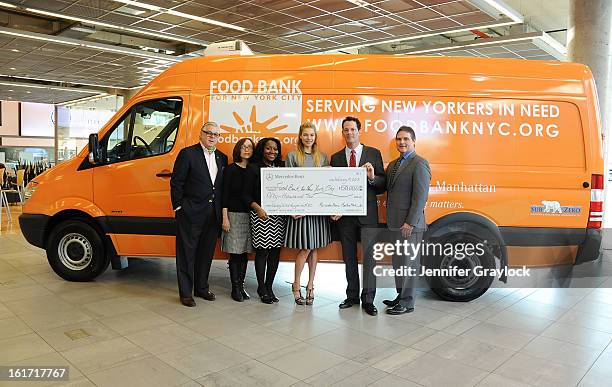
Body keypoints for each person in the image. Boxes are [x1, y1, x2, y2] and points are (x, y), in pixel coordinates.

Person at [330, 116, 386, 316]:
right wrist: (334, 208)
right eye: (346, 130)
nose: (349, 133)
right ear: (342, 132)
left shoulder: (373, 153)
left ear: (359, 131)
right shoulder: (336, 158)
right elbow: (333, 188)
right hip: (345, 217)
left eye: (353, 129)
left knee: (370, 258)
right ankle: (352, 296)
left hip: (367, 215)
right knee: (349, 258)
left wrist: (371, 178)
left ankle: (369, 299)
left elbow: (382, 184)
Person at [170, 122, 228, 307]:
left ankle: (201, 288)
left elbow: (220, 188)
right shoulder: (188, 154)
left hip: (213, 215)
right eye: (209, 133)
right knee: (187, 254)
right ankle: (186, 292)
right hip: (190, 213)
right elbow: (176, 182)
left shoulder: (222, 157)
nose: (212, 137)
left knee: (206, 253)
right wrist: (178, 208)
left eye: (216, 134)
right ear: (201, 134)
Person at [383, 126, 431, 315]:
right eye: (398, 139)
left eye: (406, 139)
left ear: (413, 141)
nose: (401, 142)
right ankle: (400, 295)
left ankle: (407, 302)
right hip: (395, 223)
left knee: (410, 263)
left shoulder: (420, 163)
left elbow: (420, 197)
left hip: (410, 225)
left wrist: (410, 222)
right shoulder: (393, 165)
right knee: (398, 262)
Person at [285, 121, 331, 305]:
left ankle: (310, 285)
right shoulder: (292, 156)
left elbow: (327, 185)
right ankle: (296, 285)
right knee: (305, 248)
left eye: (312, 135)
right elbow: (287, 184)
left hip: (318, 212)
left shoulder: (323, 157)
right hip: (301, 212)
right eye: (305, 135)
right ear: (300, 136)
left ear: (315, 137)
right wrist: (291, 209)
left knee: (314, 248)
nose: (309, 138)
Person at [243, 137, 286, 304]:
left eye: (275, 149)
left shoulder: (282, 167)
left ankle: (269, 286)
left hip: (278, 216)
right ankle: (261, 288)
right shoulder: (253, 168)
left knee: (275, 252)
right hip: (260, 214)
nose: (272, 152)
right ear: (262, 149)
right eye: (268, 148)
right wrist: (258, 209)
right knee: (262, 252)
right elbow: (245, 195)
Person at [221, 138, 256, 302]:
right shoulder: (230, 170)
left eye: (249, 147)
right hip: (233, 216)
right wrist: (225, 218)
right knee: (235, 253)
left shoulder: (254, 170)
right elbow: (224, 196)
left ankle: (241, 286)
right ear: (238, 149)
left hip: (250, 215)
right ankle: (235, 288)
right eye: (243, 147)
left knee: (244, 254)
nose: (246, 149)